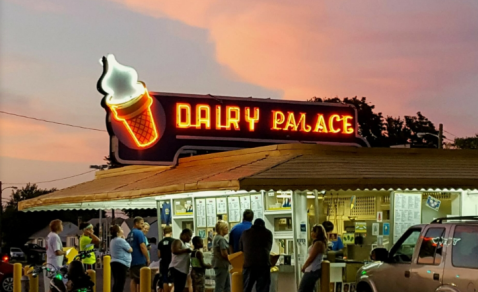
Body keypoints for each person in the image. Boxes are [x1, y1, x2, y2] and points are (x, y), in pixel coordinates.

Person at [239, 218, 273, 292]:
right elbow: (269, 248)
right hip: (263, 264)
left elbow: (241, 249)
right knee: (263, 288)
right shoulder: (268, 233)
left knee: (247, 288)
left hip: (249, 265)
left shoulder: (245, 233)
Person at [298, 224, 327, 292]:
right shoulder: (318, 243)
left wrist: (304, 266)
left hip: (312, 270)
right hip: (312, 269)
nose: (311, 233)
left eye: (312, 231)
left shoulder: (318, 244)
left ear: (316, 233)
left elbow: (311, 258)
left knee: (302, 289)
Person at [126, 217, 150, 292]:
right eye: (141, 223)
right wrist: (147, 258)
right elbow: (142, 246)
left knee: (133, 279)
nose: (143, 225)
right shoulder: (139, 233)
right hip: (139, 260)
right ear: (136, 223)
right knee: (141, 280)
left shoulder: (130, 234)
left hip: (132, 260)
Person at [45, 220, 66, 292]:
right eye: (61, 225)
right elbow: (57, 251)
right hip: (55, 265)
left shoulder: (49, 235)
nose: (62, 226)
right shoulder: (55, 237)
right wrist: (65, 252)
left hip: (50, 264)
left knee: (53, 286)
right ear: (58, 226)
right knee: (58, 287)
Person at [110, 225, 133, 292]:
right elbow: (130, 249)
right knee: (120, 283)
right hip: (121, 263)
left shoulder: (113, 240)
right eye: (121, 229)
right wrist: (124, 239)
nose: (122, 230)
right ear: (117, 233)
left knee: (117, 282)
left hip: (114, 263)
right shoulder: (120, 240)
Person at [212, 221, 231, 292]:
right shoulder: (221, 239)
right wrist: (231, 261)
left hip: (221, 265)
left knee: (227, 285)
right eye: (225, 227)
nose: (227, 229)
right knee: (220, 286)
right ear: (221, 229)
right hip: (221, 265)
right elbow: (224, 254)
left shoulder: (216, 237)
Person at [158, 226, 175, 292]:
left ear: (163, 233)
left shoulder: (160, 242)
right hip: (172, 263)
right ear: (171, 232)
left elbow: (159, 255)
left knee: (165, 280)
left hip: (163, 264)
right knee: (173, 280)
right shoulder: (174, 241)